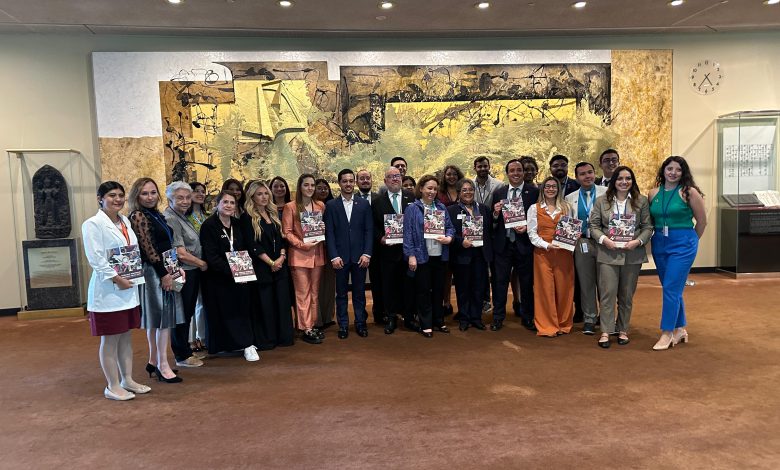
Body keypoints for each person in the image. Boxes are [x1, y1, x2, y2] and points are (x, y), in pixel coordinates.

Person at [82, 181, 151, 401]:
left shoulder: (125, 221)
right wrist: (117, 279)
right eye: (112, 195)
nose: (118, 199)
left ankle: (127, 379)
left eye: (121, 195)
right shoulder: (92, 224)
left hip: (128, 288)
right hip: (108, 291)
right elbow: (96, 258)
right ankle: (112, 386)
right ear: (100, 199)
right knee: (110, 340)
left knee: (125, 337)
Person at [128, 177, 185, 383]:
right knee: (163, 320)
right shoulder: (138, 216)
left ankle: (154, 361)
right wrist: (164, 274)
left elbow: (165, 246)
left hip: (164, 268)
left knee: (157, 320)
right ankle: (163, 365)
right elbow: (149, 249)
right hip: (154, 272)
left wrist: (175, 268)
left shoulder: (155, 214)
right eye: (144, 193)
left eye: (153, 192)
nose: (150, 197)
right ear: (137, 196)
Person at [589, 166, 652, 348]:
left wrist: (638, 242)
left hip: (632, 254)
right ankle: (606, 331)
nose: (624, 182)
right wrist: (604, 240)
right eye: (620, 178)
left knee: (626, 295)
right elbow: (593, 226)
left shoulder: (641, 201)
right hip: (608, 253)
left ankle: (623, 329)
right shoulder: (602, 201)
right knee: (607, 294)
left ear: (632, 181)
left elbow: (648, 227)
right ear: (614, 181)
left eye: (628, 178)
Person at [648, 156, 707, 351]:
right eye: (669, 168)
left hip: (683, 244)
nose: (673, 173)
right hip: (659, 243)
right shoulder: (653, 193)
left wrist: (690, 242)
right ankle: (680, 329)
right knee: (671, 287)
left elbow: (702, 222)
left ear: (684, 173)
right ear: (663, 170)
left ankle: (667, 333)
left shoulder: (689, 192)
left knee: (670, 288)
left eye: (678, 170)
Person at [199, 191, 260, 361]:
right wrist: (232, 271)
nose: (228, 205)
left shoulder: (238, 224)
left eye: (232, 203)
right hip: (218, 277)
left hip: (241, 276)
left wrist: (243, 271)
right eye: (225, 202)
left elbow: (247, 248)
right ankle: (224, 345)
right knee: (222, 311)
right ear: (217, 204)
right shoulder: (209, 225)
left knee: (242, 310)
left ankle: (247, 344)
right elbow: (211, 255)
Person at [241, 181, 295, 349]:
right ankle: (268, 339)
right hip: (262, 268)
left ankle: (284, 337)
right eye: (259, 194)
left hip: (279, 266)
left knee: (282, 302)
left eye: (266, 193)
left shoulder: (273, 214)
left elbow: (281, 240)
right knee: (266, 305)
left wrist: (281, 257)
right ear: (252, 197)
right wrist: (271, 262)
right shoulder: (247, 217)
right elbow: (253, 245)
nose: (263, 197)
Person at [490, 159, 539, 331]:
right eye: (512, 170)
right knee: (500, 282)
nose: (516, 173)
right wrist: (495, 213)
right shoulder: (499, 192)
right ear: (507, 173)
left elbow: (538, 218)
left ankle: (528, 317)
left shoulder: (534, 192)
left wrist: (527, 227)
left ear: (523, 172)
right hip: (503, 245)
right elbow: (493, 221)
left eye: (519, 170)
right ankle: (498, 317)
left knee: (526, 283)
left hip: (524, 244)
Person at [403, 174, 455, 338]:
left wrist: (449, 238)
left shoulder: (441, 207)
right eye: (429, 188)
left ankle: (439, 320)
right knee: (423, 290)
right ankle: (426, 323)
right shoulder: (412, 208)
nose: (432, 191)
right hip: (422, 256)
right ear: (421, 189)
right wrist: (411, 255)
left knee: (439, 290)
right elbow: (408, 234)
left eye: (435, 189)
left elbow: (450, 228)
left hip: (439, 255)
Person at [325, 169, 374, 339]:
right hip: (340, 258)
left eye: (351, 181)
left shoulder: (364, 204)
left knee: (359, 293)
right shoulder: (331, 205)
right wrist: (333, 256)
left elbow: (369, 230)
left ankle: (360, 323)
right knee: (341, 294)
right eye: (344, 181)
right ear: (339, 183)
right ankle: (343, 325)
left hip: (360, 257)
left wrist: (367, 253)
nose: (348, 184)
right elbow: (329, 233)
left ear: (354, 183)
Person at [163, 181, 207, 368]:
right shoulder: (171, 218)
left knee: (187, 313)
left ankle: (184, 351)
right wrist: (202, 263)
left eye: (188, 197)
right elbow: (180, 252)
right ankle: (182, 355)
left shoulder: (182, 216)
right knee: (181, 314)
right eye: (180, 198)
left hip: (190, 270)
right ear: (170, 199)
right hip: (182, 272)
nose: (185, 201)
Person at [372, 166, 417, 334]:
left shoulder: (412, 197)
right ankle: (391, 317)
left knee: (409, 285)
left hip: (408, 252)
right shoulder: (377, 201)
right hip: (388, 252)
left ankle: (409, 318)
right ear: (385, 181)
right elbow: (373, 226)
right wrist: (381, 238)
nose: (395, 179)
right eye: (391, 177)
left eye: (397, 176)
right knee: (389, 286)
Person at [283, 173, 327, 345]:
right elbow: (287, 232)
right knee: (303, 293)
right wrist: (302, 244)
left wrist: (322, 228)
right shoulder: (291, 206)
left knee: (315, 293)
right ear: (300, 187)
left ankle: (313, 324)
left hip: (317, 255)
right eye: (306, 185)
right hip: (299, 255)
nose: (310, 188)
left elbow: (322, 228)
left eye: (312, 185)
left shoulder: (320, 205)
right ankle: (305, 327)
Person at [527, 177, 574, 337]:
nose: (551, 189)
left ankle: (563, 323)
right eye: (547, 186)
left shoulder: (566, 207)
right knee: (545, 289)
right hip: (543, 254)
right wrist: (546, 245)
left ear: (558, 189)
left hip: (564, 253)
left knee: (564, 288)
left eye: (554, 186)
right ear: (543, 189)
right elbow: (532, 234)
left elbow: (571, 228)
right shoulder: (534, 208)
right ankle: (547, 325)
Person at [565, 162, 607, 335]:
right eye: (582, 174)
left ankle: (606, 319)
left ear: (594, 173)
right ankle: (589, 318)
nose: (587, 176)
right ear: (577, 178)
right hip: (582, 243)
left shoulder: (607, 193)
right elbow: (568, 222)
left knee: (605, 283)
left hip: (604, 243)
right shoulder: (570, 198)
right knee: (586, 283)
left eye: (590, 172)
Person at [448, 178, 492, 331]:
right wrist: (461, 242)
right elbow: (449, 232)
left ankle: (476, 318)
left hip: (480, 254)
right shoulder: (451, 210)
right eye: (464, 190)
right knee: (463, 288)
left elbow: (489, 230)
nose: (468, 192)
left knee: (478, 288)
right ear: (459, 193)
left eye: (471, 189)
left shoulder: (484, 209)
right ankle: (464, 318)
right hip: (462, 255)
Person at [473, 155, 502, 314]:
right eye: (480, 166)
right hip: (474, 232)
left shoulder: (499, 185)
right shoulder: (470, 184)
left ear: (489, 167)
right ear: (475, 168)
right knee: (479, 268)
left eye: (485, 166)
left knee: (494, 269)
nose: (483, 168)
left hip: (494, 230)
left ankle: (495, 303)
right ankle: (482, 301)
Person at [356, 169, 384, 325]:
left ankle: (379, 313)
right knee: (359, 285)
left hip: (378, 247)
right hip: (358, 247)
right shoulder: (351, 199)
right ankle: (361, 317)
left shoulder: (379, 199)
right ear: (357, 182)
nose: (365, 181)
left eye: (368, 178)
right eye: (362, 178)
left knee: (378, 282)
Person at [187, 181, 208, 351]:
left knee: (202, 301)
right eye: (196, 191)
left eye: (202, 191)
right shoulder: (183, 217)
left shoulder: (206, 216)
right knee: (189, 302)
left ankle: (202, 336)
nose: (200, 194)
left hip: (205, 262)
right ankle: (190, 339)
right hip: (189, 262)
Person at [313, 178, 336, 329]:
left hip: (331, 250)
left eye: (325, 188)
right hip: (314, 250)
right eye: (319, 188)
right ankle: (317, 319)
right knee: (317, 285)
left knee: (329, 285)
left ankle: (328, 317)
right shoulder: (309, 207)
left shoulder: (333, 206)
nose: (322, 190)